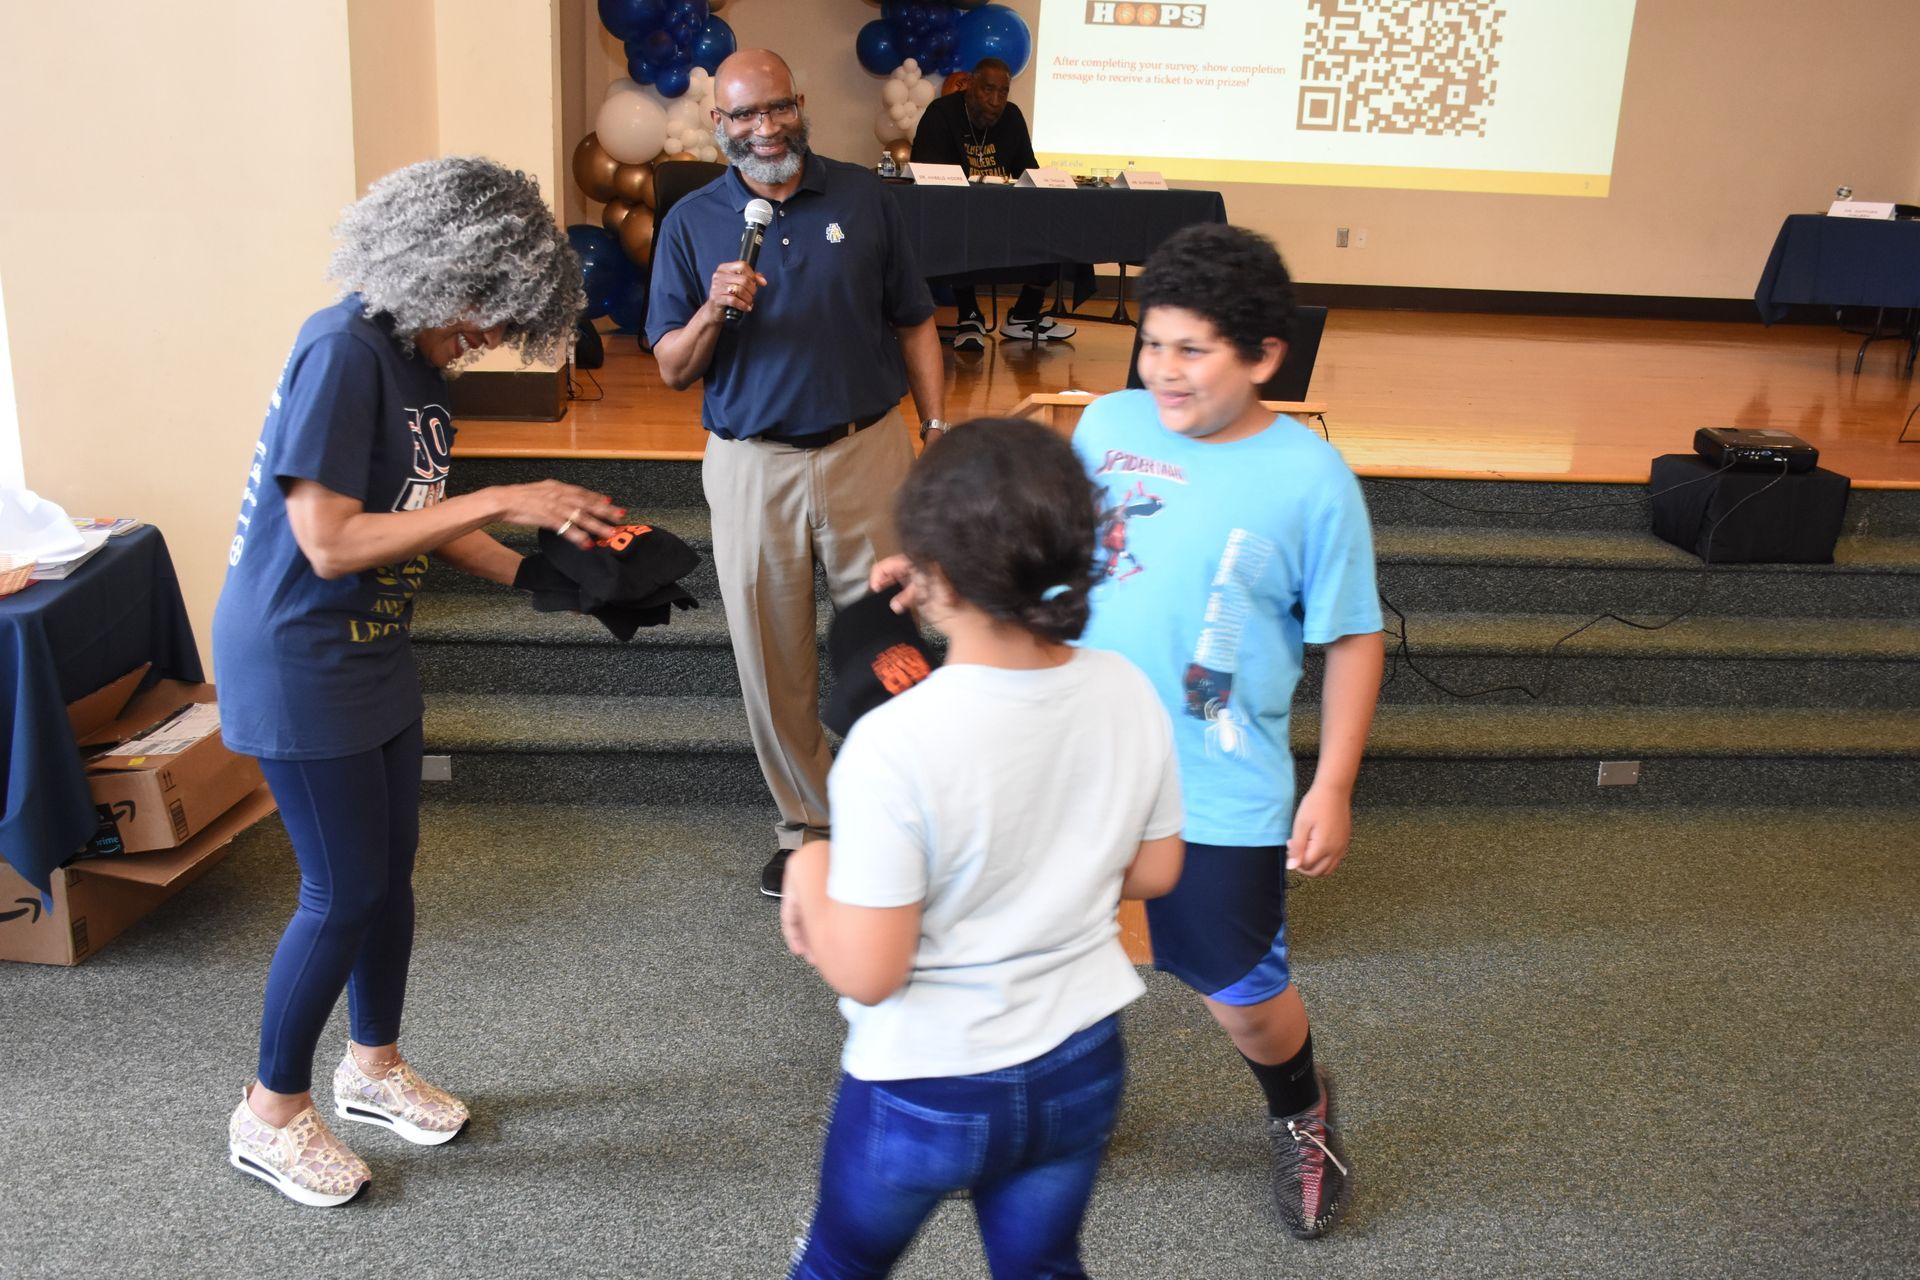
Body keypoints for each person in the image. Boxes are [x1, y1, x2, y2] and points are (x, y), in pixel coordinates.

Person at [213, 156, 624, 1207]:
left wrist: (559, 582)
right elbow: (331, 538)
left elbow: (417, 523)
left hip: (373, 651)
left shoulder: (415, 365)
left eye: (506, 310)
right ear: (436, 261)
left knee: (388, 876)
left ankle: (374, 1067)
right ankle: (267, 1113)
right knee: (340, 889)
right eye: (483, 301)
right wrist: (507, 496)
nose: (488, 328)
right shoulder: (344, 348)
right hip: (299, 657)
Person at [784, 419, 1184, 1277]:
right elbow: (1155, 870)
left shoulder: (893, 743)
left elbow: (871, 972)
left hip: (926, 1083)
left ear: (929, 574)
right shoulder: (1126, 688)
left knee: (839, 1267)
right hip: (1081, 1058)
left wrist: (809, 868)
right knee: (1041, 1267)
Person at [1072, 223, 1386, 1239]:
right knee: (1057, 951)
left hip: (1218, 780)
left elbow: (1352, 635)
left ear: (1262, 357)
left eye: (1193, 349)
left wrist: (1332, 781)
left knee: (1240, 993)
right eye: (1153, 342)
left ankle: (1302, 1103)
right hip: (1080, 761)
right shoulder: (1105, 424)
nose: (1163, 370)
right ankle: (1062, 1107)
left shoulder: (1311, 478)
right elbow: (1053, 566)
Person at [646, 49, 949, 899]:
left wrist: (936, 429)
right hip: (752, 467)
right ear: (719, 124)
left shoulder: (863, 198)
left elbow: (917, 322)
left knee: (888, 645)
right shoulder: (693, 223)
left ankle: (900, 818)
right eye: (744, 115)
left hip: (866, 450)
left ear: (800, 103)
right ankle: (811, 827)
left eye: (777, 108)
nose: (764, 128)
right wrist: (714, 307)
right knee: (771, 657)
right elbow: (672, 367)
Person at [909, 56, 1075, 349]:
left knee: (1054, 221)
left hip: (1001, 215)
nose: (996, 100)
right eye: (988, 90)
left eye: (1003, 92)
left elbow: (1028, 172)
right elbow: (928, 176)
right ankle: (969, 314)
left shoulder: (1011, 117)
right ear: (970, 85)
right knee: (955, 224)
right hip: (954, 214)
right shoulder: (942, 113)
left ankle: (1024, 315)